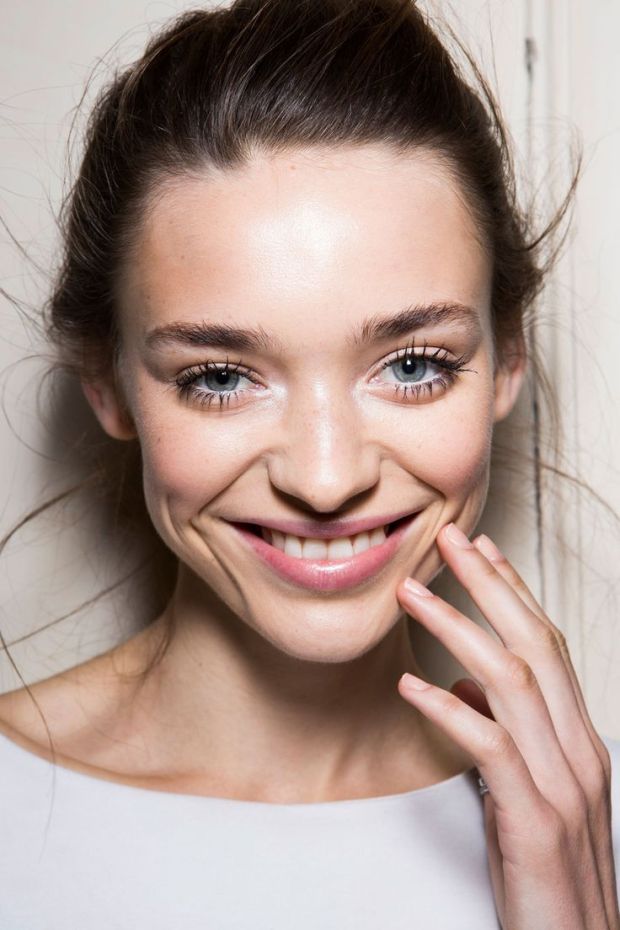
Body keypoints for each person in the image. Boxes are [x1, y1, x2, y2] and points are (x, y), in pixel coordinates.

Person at [0, 0, 618, 927]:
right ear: (109, 383)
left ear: (508, 361)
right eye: (220, 377)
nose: (326, 481)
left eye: (412, 366)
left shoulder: (589, 840)